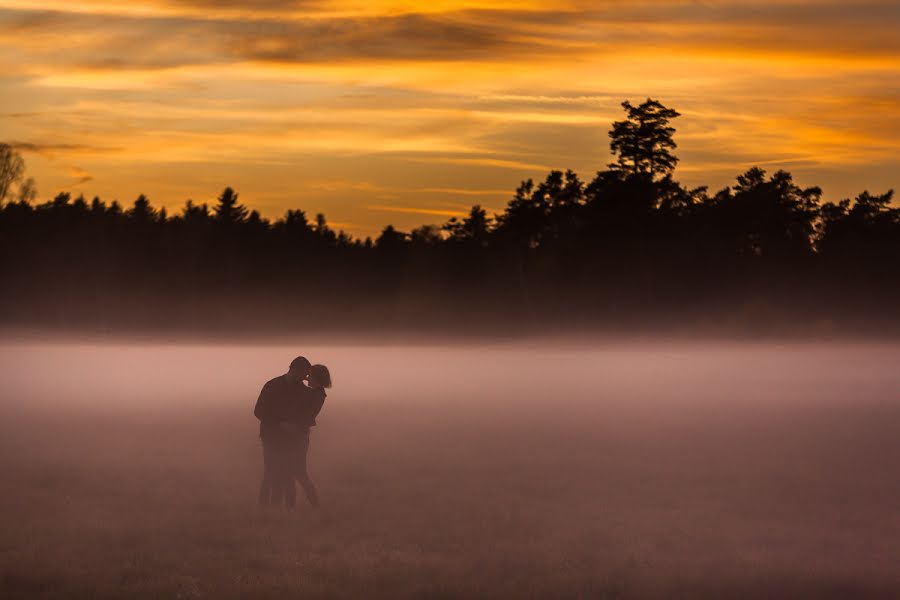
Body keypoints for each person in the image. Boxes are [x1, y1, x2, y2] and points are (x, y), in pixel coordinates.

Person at [254, 356, 312, 508]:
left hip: (291, 439)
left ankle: (286, 509)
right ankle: (265, 509)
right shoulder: (272, 386)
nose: (305, 378)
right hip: (272, 437)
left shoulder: (303, 390)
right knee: (270, 473)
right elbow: (258, 411)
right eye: (304, 374)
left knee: (288, 474)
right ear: (294, 370)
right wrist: (281, 425)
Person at [287, 364, 331, 508]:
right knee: (297, 472)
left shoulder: (314, 394)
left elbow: (297, 404)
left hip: (297, 436)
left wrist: (299, 379)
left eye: (310, 376)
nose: (307, 378)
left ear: (316, 378)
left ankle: (310, 505)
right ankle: (309, 505)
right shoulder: (318, 393)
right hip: (300, 435)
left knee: (298, 473)